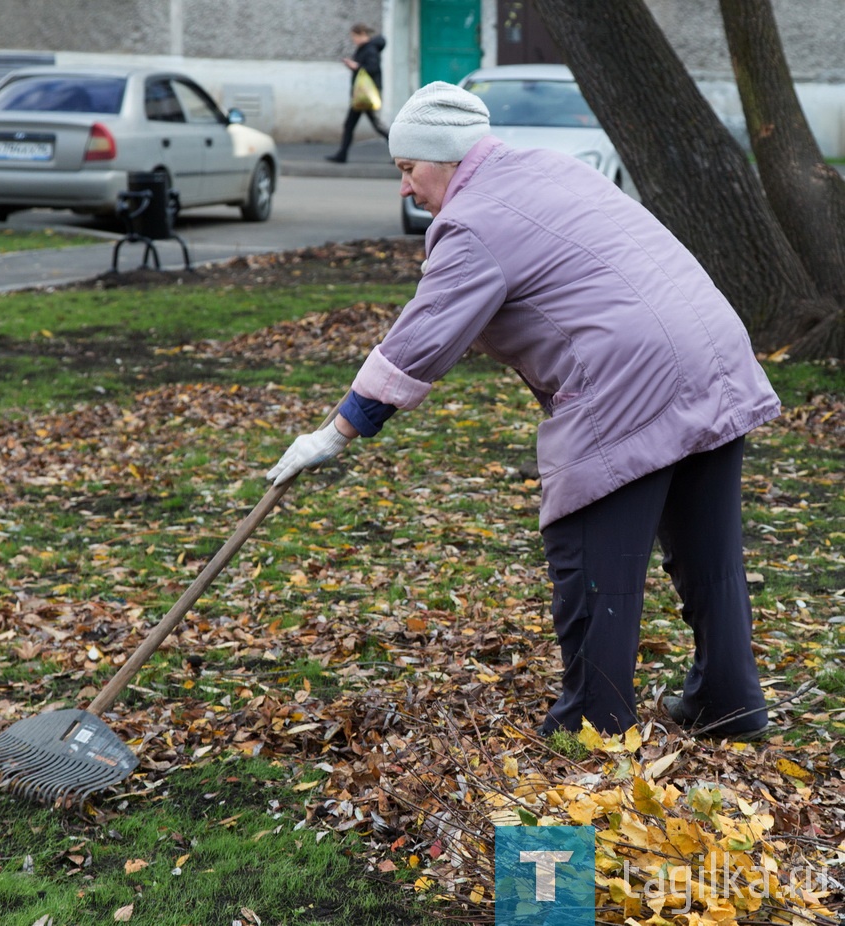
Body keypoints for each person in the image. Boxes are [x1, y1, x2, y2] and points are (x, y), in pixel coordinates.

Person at [268, 81, 782, 739]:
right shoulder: (546, 167)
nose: (404, 187)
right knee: (708, 551)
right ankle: (730, 706)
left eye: (407, 169)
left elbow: (421, 339)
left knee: (592, 551)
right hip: (712, 355)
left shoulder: (475, 221)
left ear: (445, 157)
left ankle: (593, 726)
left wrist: (335, 433)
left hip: (630, 378)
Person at [326, 23, 390, 163]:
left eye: (354, 36)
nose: (353, 40)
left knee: (376, 125)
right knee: (352, 124)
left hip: (366, 95)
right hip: (362, 94)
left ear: (362, 34)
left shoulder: (370, 49)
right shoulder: (365, 48)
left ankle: (399, 152)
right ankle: (341, 154)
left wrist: (356, 66)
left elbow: (372, 68)